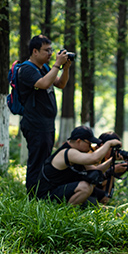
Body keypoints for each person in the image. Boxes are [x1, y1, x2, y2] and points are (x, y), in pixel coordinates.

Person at [18, 35, 73, 198]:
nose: (50, 54)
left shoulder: (44, 68)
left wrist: (66, 68)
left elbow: (60, 84)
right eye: (46, 50)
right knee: (36, 162)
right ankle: (33, 197)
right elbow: (42, 84)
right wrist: (57, 64)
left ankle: (41, 193)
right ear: (35, 51)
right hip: (35, 124)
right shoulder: (26, 69)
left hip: (46, 124)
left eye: (51, 50)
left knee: (44, 161)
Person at [37, 126, 122, 205]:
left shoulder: (77, 153)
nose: (90, 147)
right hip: (46, 195)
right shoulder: (68, 152)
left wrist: (112, 160)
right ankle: (66, 212)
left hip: (59, 190)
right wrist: (108, 144)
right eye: (89, 143)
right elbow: (94, 158)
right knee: (85, 187)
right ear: (79, 141)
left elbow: (96, 170)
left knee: (92, 201)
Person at [91, 131, 128, 204]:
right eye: (113, 149)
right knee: (110, 173)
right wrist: (112, 169)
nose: (115, 152)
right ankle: (102, 201)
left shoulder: (105, 156)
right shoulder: (90, 153)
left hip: (95, 185)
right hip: (87, 186)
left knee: (111, 174)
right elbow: (92, 175)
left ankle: (104, 202)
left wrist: (126, 165)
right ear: (103, 146)